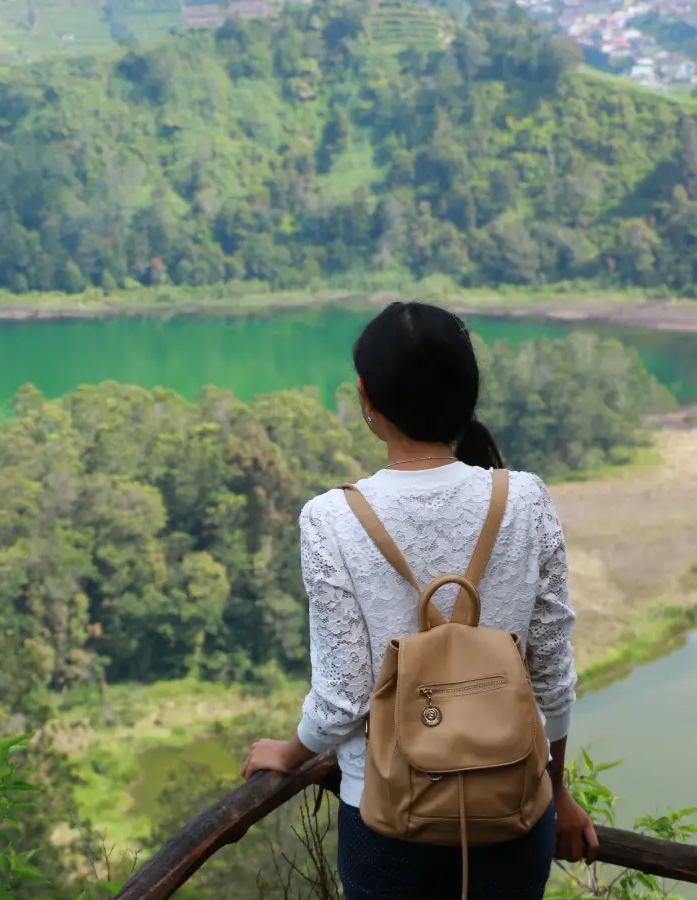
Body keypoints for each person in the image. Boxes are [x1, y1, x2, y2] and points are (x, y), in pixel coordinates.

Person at [240, 301, 598, 900]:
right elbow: (552, 676)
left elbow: (342, 697)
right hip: (514, 807)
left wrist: (290, 750)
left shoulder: (331, 519)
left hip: (387, 818)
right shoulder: (526, 499)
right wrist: (556, 789)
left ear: (367, 397)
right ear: (466, 392)